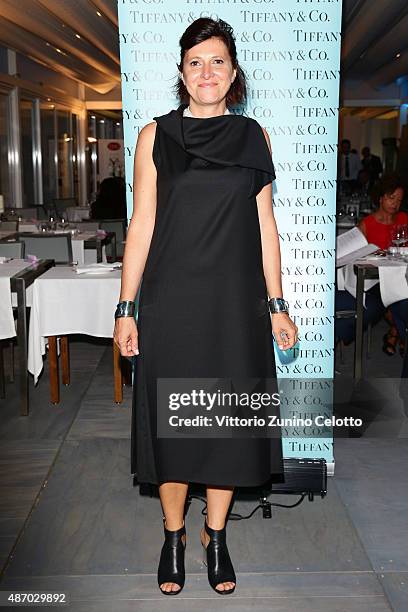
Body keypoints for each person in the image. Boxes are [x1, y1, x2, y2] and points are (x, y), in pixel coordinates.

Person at [113, 17, 297, 597]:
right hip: (172, 305)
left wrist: (277, 304)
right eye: (196, 62)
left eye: (217, 61)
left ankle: (215, 536)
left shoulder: (254, 137)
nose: (207, 72)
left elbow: (266, 227)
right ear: (181, 73)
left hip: (235, 307)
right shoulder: (154, 137)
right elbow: (141, 226)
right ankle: (174, 536)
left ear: (233, 72)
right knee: (176, 429)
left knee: (225, 428)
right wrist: (126, 307)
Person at [358, 173, 408, 355]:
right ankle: (399, 335)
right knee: (397, 299)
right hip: (377, 280)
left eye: (399, 200)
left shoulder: (404, 219)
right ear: (380, 198)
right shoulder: (367, 224)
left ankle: (395, 334)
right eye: (391, 198)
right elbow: (357, 256)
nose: (395, 204)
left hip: (403, 278)